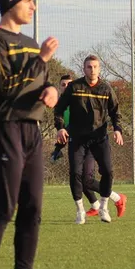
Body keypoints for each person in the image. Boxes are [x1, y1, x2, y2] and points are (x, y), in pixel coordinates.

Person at [0, 0, 59, 269]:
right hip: (4, 127)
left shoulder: (29, 42)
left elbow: (40, 80)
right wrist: (42, 58)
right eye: (29, 1)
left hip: (32, 130)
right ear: (12, 3)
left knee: (33, 207)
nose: (33, 7)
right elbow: (4, 86)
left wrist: (52, 89)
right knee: (4, 206)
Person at [54, 55, 127, 224]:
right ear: (84, 69)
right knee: (76, 173)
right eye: (89, 67)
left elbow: (115, 112)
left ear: (99, 69)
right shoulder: (74, 87)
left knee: (108, 171)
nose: (92, 70)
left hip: (99, 138)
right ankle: (80, 211)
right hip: (78, 139)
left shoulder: (106, 89)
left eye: (95, 67)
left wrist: (117, 129)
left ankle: (103, 207)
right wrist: (60, 128)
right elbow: (58, 109)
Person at [50, 72, 115, 217]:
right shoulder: (61, 105)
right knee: (78, 176)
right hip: (76, 141)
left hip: (90, 140)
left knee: (87, 179)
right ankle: (95, 205)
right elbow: (65, 129)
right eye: (63, 85)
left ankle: (115, 198)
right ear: (59, 87)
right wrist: (58, 148)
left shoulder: (78, 100)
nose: (66, 86)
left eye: (69, 84)